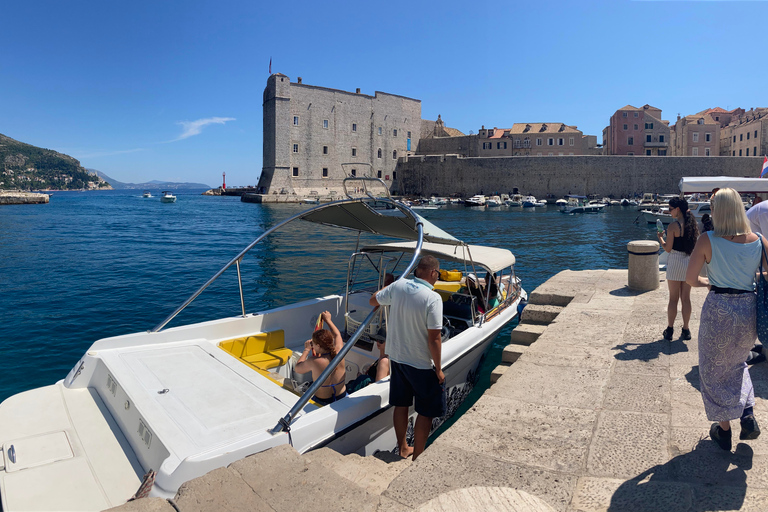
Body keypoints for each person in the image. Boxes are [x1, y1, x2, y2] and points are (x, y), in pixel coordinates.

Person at [686, 188, 768, 450]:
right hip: (748, 310)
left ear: (718, 210)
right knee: (739, 363)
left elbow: (690, 279)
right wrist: (748, 280)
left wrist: (708, 283)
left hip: (719, 309)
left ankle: (724, 430)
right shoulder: (760, 241)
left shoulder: (707, 240)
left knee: (712, 370)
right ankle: (747, 413)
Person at [369, 255, 445, 460]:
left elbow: (373, 299)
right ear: (432, 273)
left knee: (401, 405)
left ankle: (402, 447)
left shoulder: (398, 286)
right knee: (426, 411)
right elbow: (434, 338)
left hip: (398, 360)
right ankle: (417, 456)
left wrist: (387, 287)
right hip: (420, 363)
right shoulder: (433, 298)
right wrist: (438, 368)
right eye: (438, 274)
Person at [657, 197, 699, 340]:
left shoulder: (673, 227)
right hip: (688, 262)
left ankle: (669, 330)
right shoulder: (692, 224)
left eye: (670, 209)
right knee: (686, 298)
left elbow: (668, 249)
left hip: (675, 262)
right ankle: (686, 330)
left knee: (673, 299)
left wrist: (660, 238)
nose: (669, 212)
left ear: (677, 209)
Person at [294, 311, 346, 405]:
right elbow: (337, 335)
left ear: (318, 346)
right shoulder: (340, 353)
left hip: (323, 402)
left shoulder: (314, 361)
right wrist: (328, 320)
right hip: (342, 397)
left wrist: (306, 350)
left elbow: (297, 369)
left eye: (313, 344)